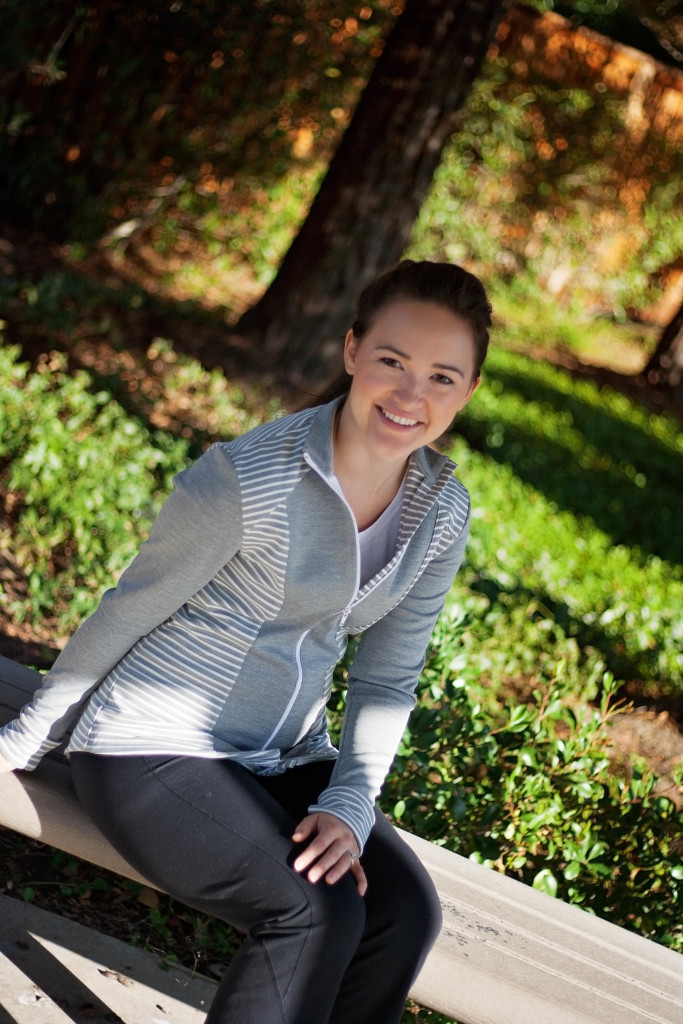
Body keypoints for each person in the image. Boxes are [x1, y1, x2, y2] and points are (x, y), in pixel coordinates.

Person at [0, 259, 491, 1024]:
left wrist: (350, 802)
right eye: (392, 361)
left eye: (440, 376)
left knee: (401, 918)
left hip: (284, 754)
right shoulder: (248, 477)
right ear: (352, 350)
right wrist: (27, 737)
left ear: (467, 392)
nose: (410, 395)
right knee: (313, 912)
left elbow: (388, 678)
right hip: (148, 748)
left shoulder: (439, 506)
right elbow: (128, 610)